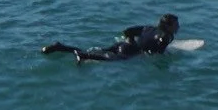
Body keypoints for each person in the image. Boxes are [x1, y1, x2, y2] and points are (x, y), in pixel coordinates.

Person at [42, 13, 179, 63]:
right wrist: (156, 55)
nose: (178, 27)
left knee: (95, 50)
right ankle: (84, 57)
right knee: (111, 60)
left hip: (123, 45)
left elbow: (127, 31)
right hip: (130, 52)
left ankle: (60, 47)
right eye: (176, 25)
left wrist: (130, 41)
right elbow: (160, 44)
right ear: (168, 27)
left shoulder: (148, 28)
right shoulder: (167, 36)